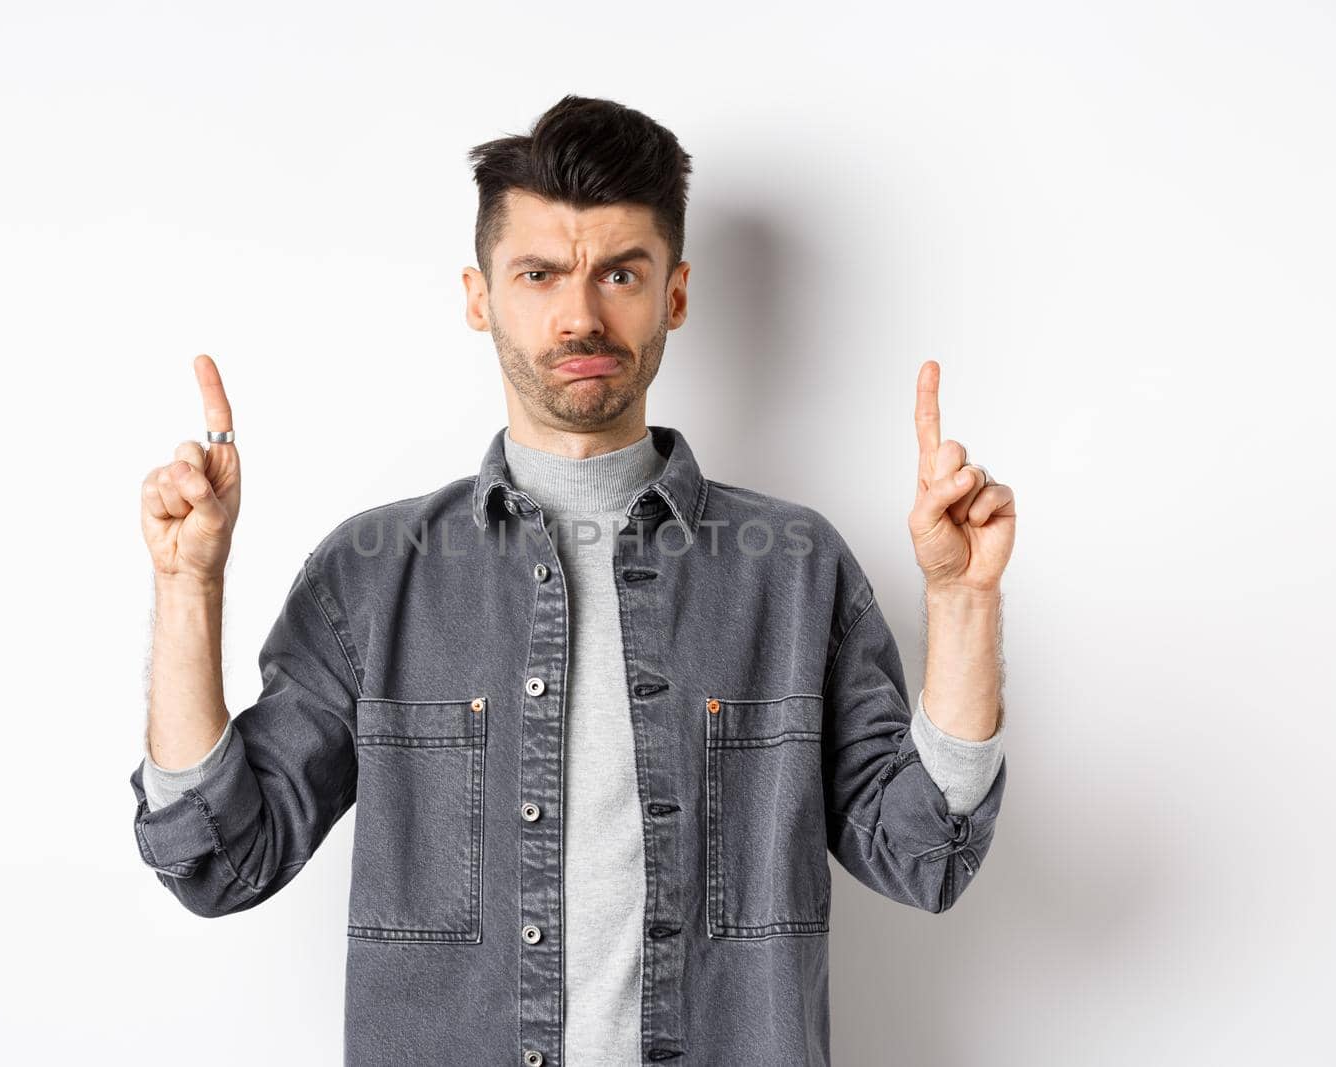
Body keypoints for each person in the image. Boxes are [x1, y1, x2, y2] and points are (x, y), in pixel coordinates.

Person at [130, 94, 1015, 1066]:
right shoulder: (372, 576)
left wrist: (963, 602)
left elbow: (923, 856)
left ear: (673, 293)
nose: (580, 314)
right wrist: (188, 587)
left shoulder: (795, 571)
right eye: (540, 273)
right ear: (480, 296)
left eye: (619, 273)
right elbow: (217, 861)